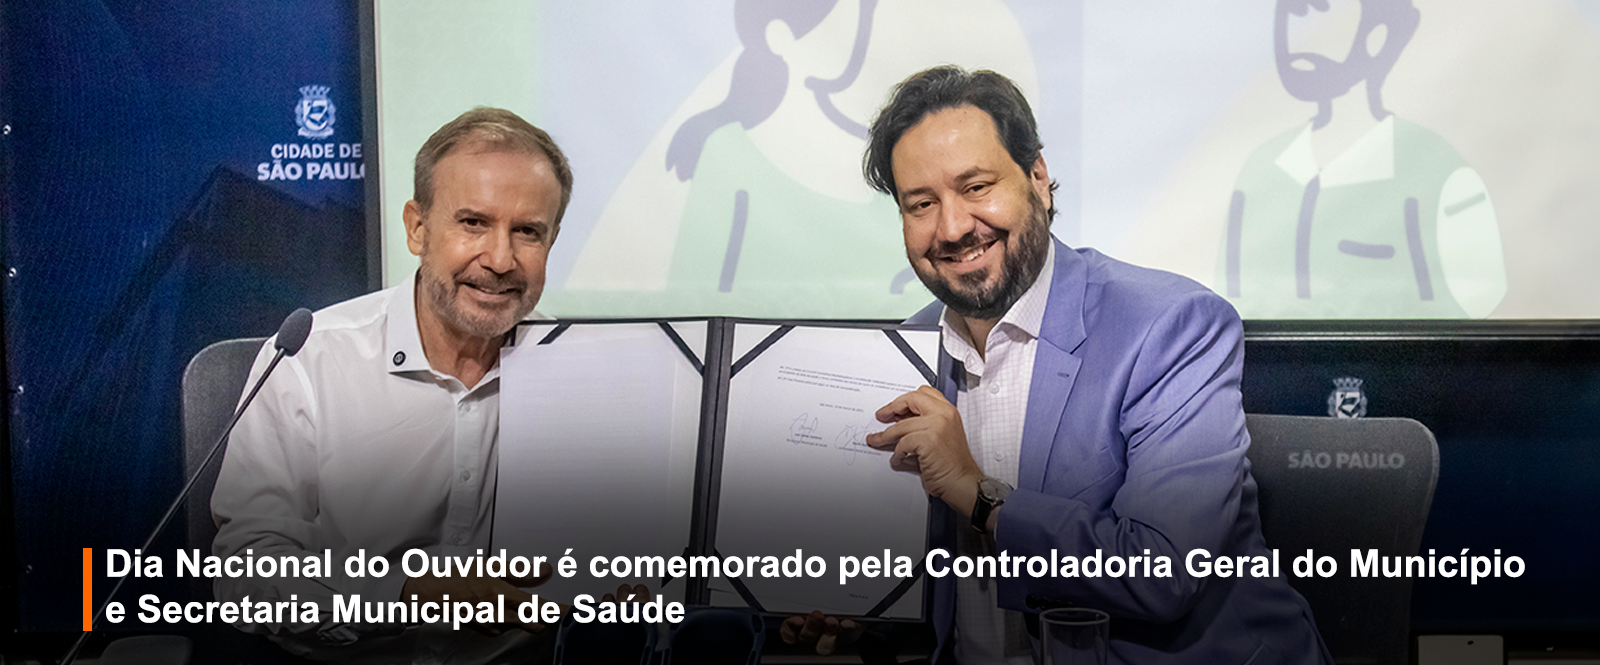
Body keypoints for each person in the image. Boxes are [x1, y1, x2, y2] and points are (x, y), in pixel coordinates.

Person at [787, 66, 1332, 664]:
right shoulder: (902, 354)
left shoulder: (1171, 327)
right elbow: (939, 597)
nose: (953, 227)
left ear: (1038, 178)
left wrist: (977, 494)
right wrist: (865, 617)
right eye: (922, 203)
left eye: (976, 187)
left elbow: (1167, 574)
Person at [211, 107, 635, 663]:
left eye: (527, 232)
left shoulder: (593, 377)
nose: (500, 259)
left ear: (551, 242)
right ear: (417, 228)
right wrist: (411, 594)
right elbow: (247, 574)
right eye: (473, 223)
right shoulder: (312, 359)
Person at [1222, 0, 1506, 319]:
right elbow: (1228, 300)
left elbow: (1480, 302)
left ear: (1379, 35)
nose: (1298, 38)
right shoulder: (1261, 168)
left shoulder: (1438, 170)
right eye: (1291, 14)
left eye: (1321, 13)